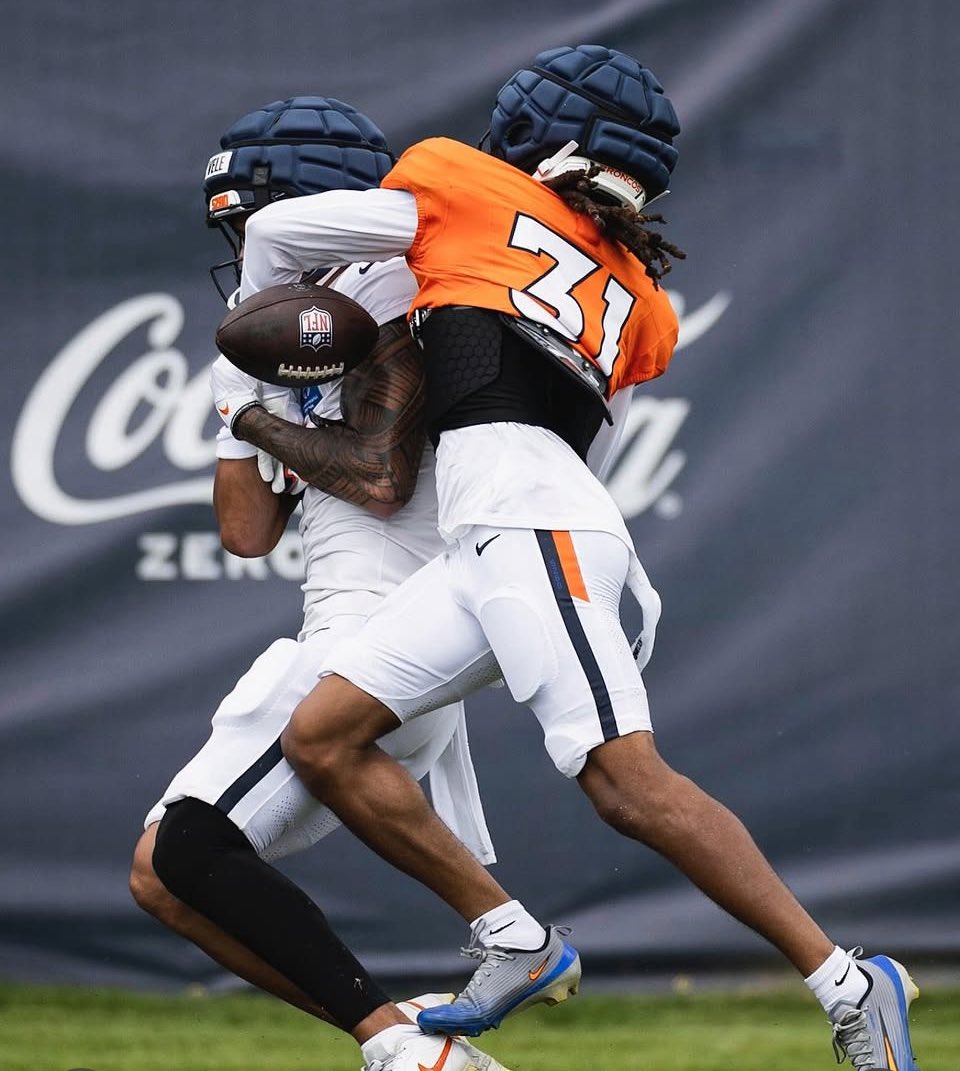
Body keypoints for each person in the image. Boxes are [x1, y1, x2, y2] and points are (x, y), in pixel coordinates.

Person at [229, 47, 923, 1071]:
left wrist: (259, 341)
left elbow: (282, 229)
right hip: (524, 515)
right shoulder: (646, 298)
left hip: (519, 518)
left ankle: (848, 980)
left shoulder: (455, 180)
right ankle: (512, 938)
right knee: (323, 738)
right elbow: (594, 437)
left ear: (534, 139)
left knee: (623, 784)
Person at [128, 95, 511, 1071]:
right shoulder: (292, 329)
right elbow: (246, 529)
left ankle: (492, 966)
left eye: (248, 224)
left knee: (187, 853)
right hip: (362, 636)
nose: (240, 250)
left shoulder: (399, 298)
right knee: (166, 879)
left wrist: (254, 414)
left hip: (387, 634)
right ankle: (409, 1049)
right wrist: (246, 386)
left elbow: (382, 478)